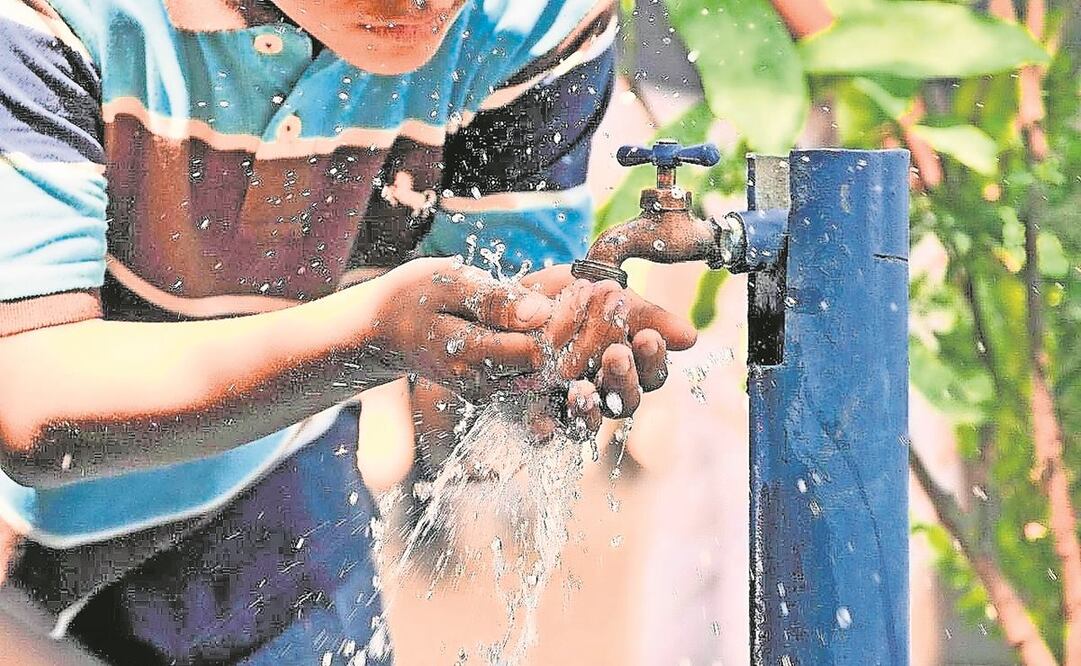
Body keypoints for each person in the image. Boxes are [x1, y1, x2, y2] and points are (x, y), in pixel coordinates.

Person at [0, 0, 697, 663]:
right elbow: (32, 392)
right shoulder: (59, 17)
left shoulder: (529, 18)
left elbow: (502, 288)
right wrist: (367, 341)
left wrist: (536, 352)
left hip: (266, 475)